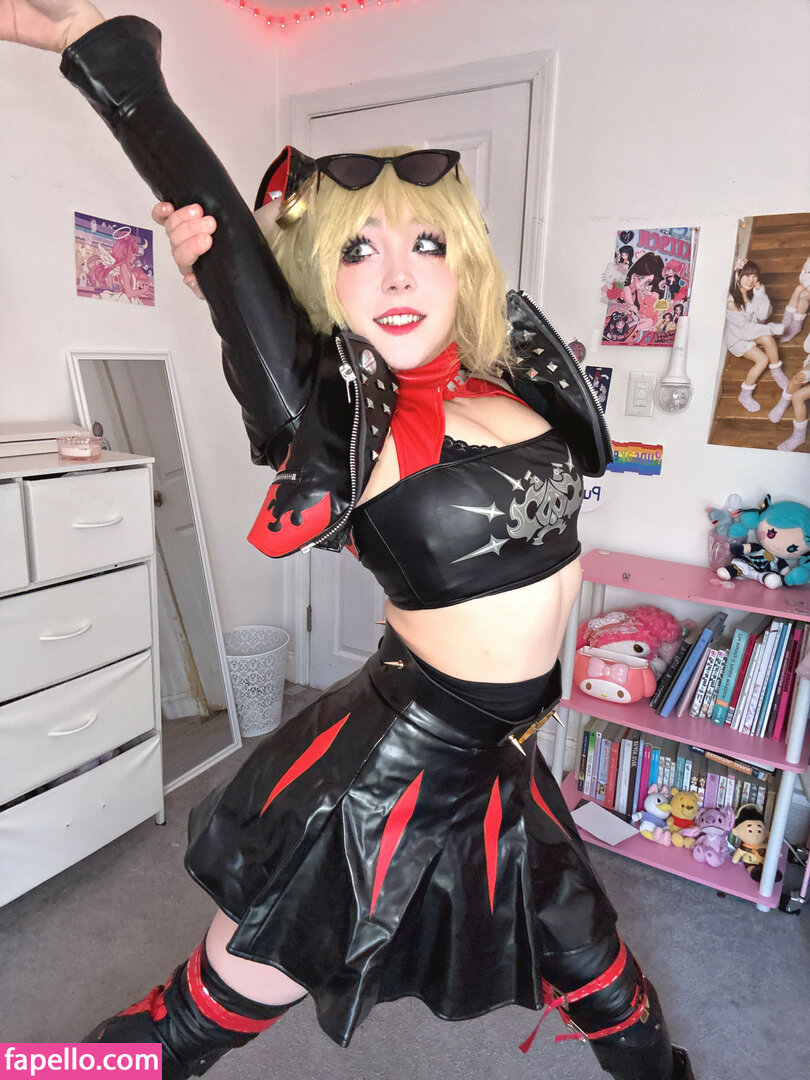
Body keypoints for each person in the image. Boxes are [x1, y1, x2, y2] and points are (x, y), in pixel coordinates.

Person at [1, 4, 694, 1079]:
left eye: (427, 245)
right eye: (359, 251)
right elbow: (242, 268)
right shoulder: (343, 420)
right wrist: (114, 63)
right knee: (207, 1012)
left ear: (464, 264)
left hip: (504, 758)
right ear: (320, 277)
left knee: (596, 965)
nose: (401, 276)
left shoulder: (503, 383)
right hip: (390, 771)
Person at [723, 257, 789, 412]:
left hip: (751, 331)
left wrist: (760, 294)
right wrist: (771, 328)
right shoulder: (731, 302)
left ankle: (777, 371)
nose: (751, 280)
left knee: (768, 338)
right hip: (738, 338)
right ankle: (745, 394)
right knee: (762, 359)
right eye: (747, 276)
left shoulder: (752, 293)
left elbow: (763, 316)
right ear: (738, 277)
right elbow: (745, 330)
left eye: (754, 276)